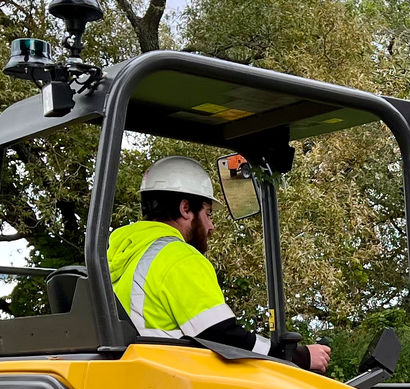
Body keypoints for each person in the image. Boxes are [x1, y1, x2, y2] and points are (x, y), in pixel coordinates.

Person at [107, 156, 329, 372]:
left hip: (137, 383)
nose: (211, 226)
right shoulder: (178, 257)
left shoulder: (120, 257)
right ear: (185, 209)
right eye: (208, 214)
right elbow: (222, 336)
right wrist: (294, 356)